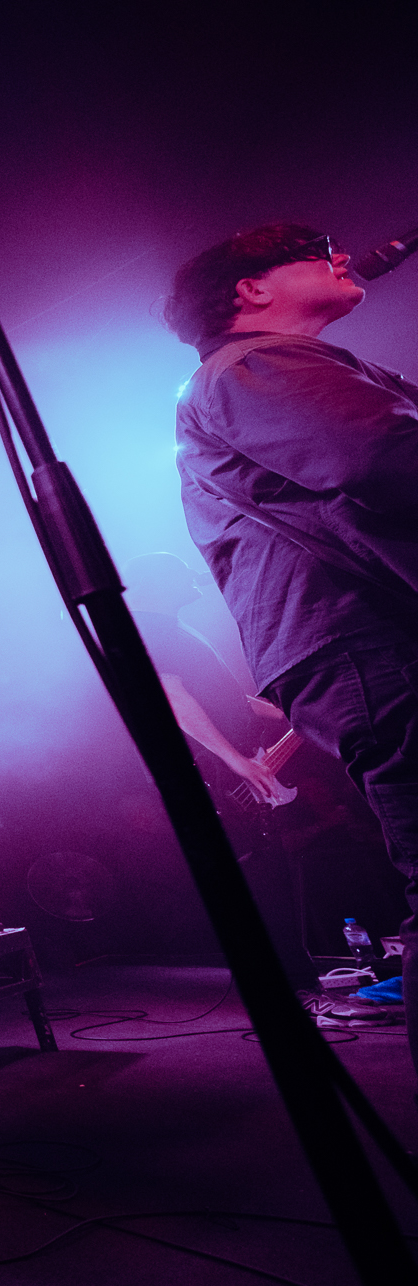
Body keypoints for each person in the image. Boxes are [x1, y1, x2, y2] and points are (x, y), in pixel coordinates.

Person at [165, 221, 417, 1069]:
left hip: (366, 637)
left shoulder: (267, 370)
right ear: (251, 289)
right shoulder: (249, 367)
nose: (342, 253)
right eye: (315, 246)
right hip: (372, 638)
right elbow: (384, 454)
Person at [123, 551, 315, 989]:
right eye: (184, 576)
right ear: (159, 583)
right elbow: (172, 699)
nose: (196, 582)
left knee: (274, 875)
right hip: (219, 774)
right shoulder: (147, 629)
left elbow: (226, 697)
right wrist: (236, 761)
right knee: (261, 881)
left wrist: (287, 712)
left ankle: (298, 978)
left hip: (236, 766)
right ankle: (286, 983)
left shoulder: (175, 628)